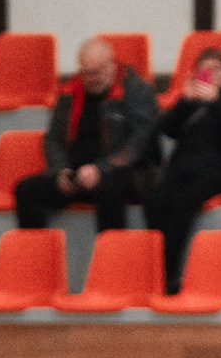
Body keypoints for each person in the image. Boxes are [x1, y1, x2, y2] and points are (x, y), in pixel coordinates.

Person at [14, 37, 161, 232]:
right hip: (76, 173)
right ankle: (35, 258)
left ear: (112, 65)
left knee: (110, 189)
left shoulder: (136, 90)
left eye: (97, 72)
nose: (92, 78)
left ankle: (110, 259)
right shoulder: (69, 93)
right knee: (25, 190)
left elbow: (139, 142)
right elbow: (53, 138)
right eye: (87, 73)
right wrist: (61, 170)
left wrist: (101, 169)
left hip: (121, 173)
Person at [144, 48, 221, 294]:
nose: (211, 75)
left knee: (183, 201)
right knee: (156, 197)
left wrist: (217, 101)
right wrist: (184, 101)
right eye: (205, 70)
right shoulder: (192, 100)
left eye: (217, 70)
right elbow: (167, 129)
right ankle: (154, 269)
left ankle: (170, 274)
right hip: (184, 170)